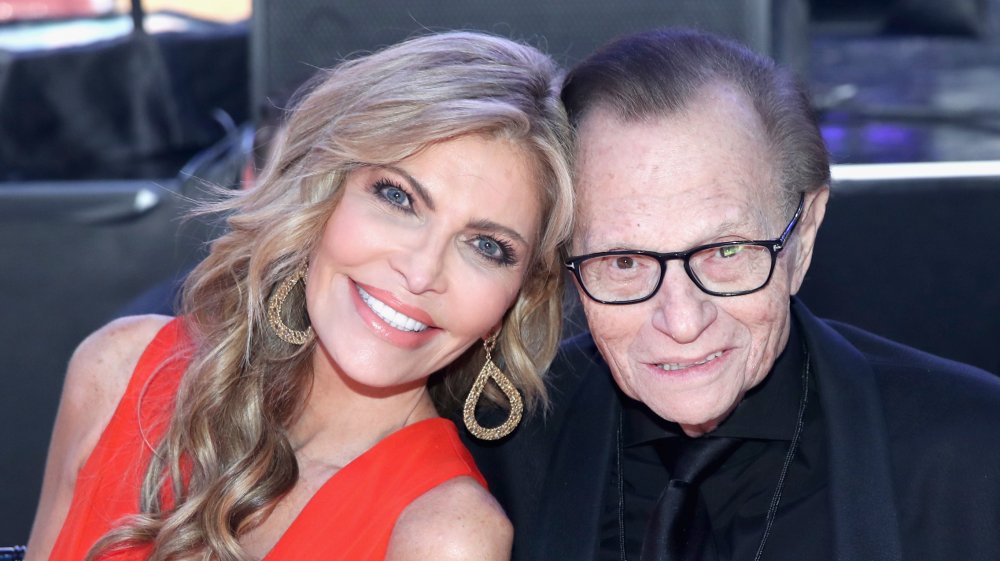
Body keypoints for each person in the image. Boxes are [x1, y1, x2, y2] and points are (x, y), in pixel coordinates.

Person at [24, 30, 574, 561]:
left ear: (517, 298)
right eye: (398, 197)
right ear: (320, 196)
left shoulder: (446, 536)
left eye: (486, 245)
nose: (421, 271)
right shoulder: (119, 373)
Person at [461, 28, 1000, 561]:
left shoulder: (973, 455)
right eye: (623, 261)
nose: (682, 320)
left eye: (724, 252)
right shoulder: (501, 450)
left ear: (804, 235)